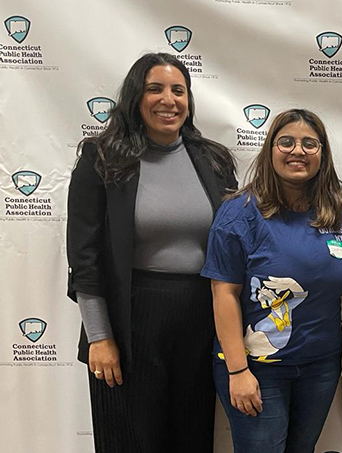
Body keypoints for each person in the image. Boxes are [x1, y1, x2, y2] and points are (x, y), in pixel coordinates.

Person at [66, 52, 237, 453]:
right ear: (135, 98)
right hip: (129, 319)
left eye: (179, 90)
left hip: (199, 316)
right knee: (130, 439)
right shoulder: (102, 159)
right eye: (155, 89)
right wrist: (100, 337)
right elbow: (85, 257)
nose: (169, 99)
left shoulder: (213, 160)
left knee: (191, 437)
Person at [201, 109, 342, 453]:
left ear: (322, 156)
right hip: (256, 368)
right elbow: (223, 293)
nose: (298, 151)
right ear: (270, 150)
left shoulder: (337, 213)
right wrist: (238, 371)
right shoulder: (240, 212)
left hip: (321, 365)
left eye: (309, 144)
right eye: (287, 142)